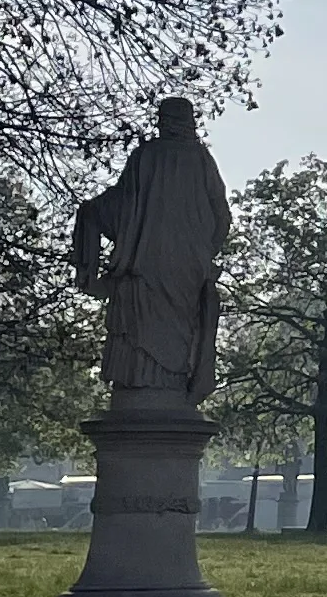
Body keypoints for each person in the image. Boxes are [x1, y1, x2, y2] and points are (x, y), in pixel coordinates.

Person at [70, 96, 233, 401]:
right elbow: (221, 216)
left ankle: (138, 387)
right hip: (187, 270)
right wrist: (201, 252)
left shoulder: (144, 157)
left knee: (140, 325)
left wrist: (91, 217)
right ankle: (169, 389)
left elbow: (121, 204)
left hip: (143, 267)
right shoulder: (200, 159)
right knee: (179, 329)